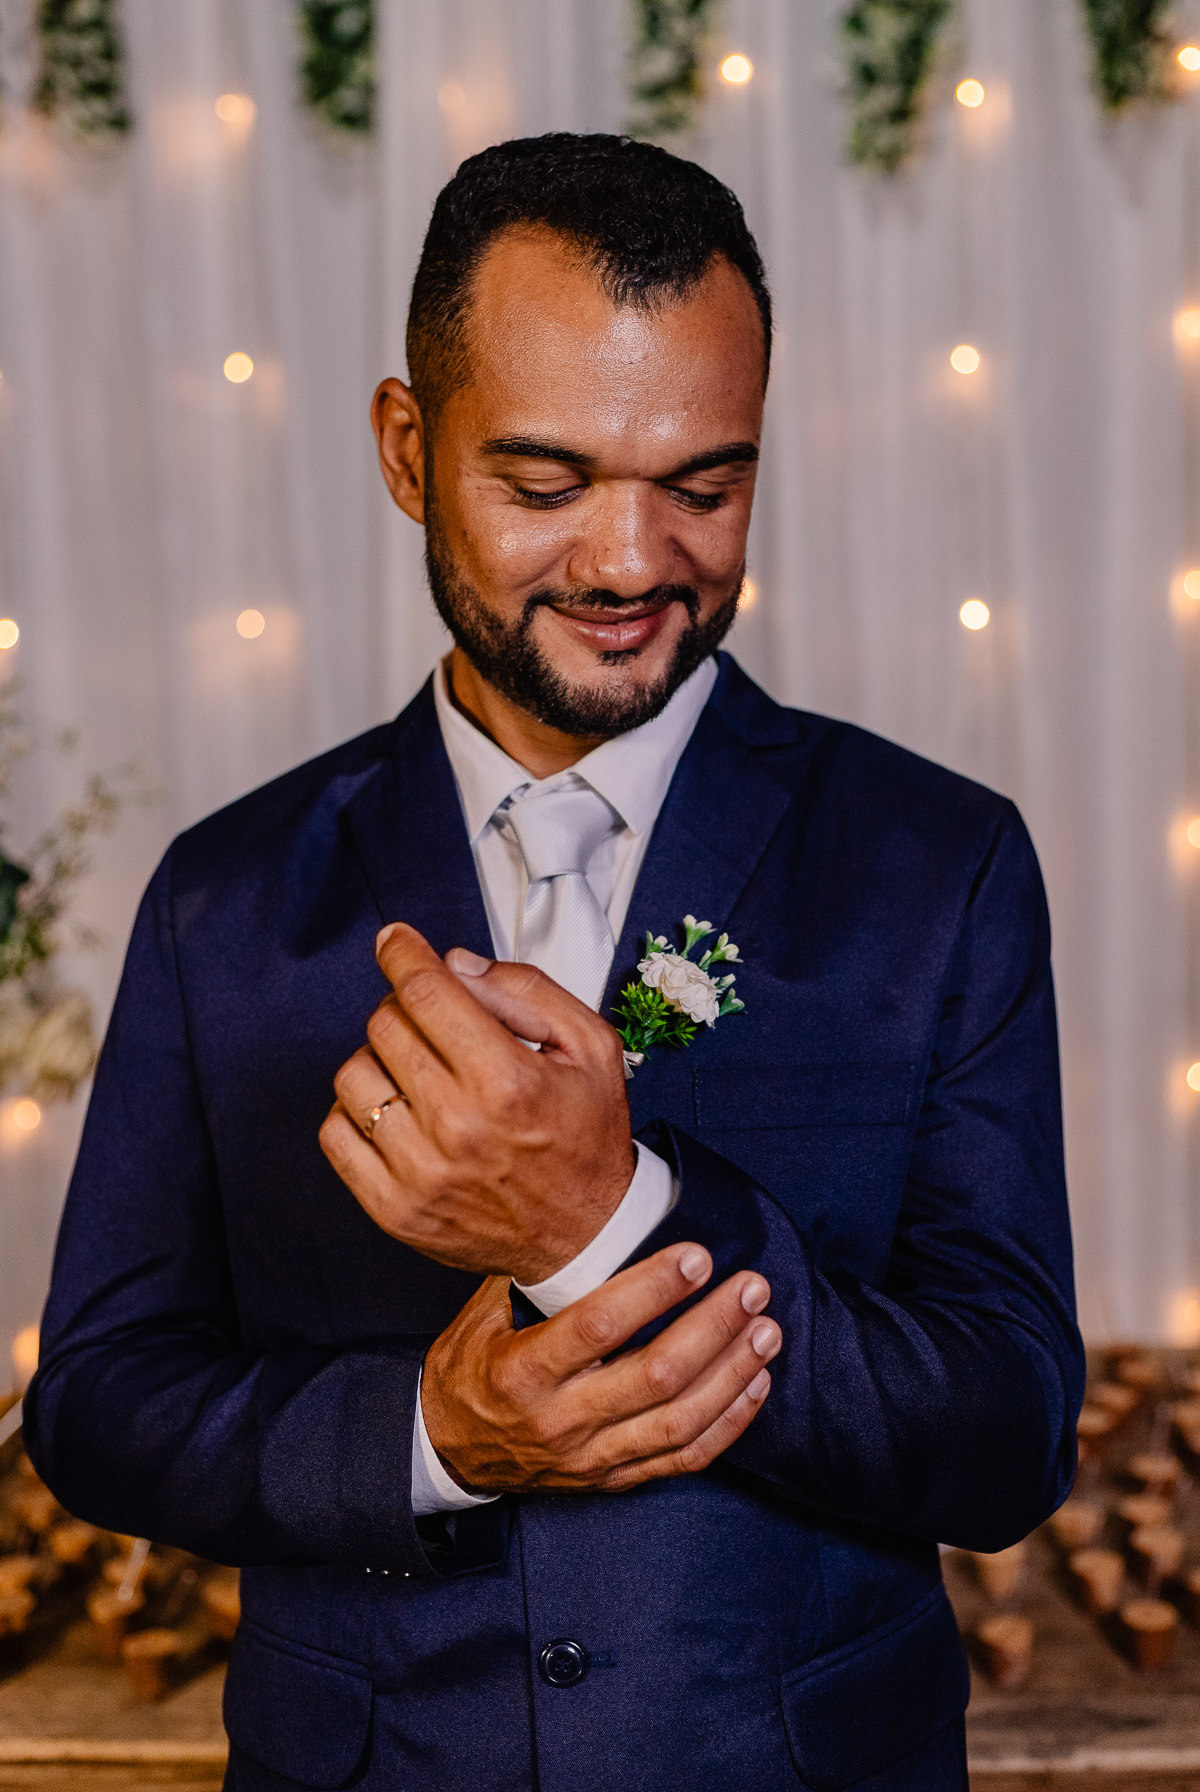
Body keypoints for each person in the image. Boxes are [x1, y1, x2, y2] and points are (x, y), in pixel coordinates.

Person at [25, 133, 1084, 1792]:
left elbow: (1007, 1437)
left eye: (703, 487)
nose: (630, 563)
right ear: (407, 447)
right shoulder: (223, 901)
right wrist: (431, 1439)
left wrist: (606, 1224)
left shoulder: (940, 866)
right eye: (545, 485)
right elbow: (100, 1406)